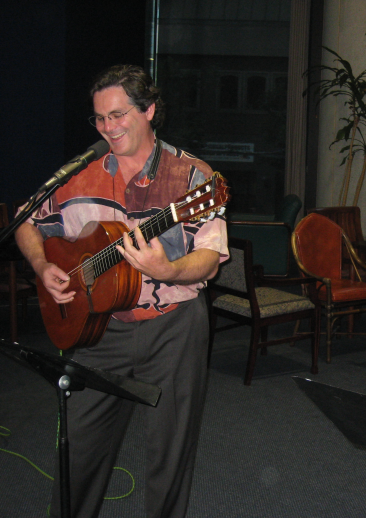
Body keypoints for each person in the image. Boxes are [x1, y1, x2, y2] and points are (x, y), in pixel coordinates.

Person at [15, 64, 229, 518]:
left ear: (149, 110)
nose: (108, 128)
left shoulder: (193, 179)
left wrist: (167, 269)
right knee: (77, 457)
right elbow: (26, 222)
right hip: (97, 332)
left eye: (118, 115)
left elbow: (209, 258)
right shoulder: (79, 174)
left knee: (168, 457)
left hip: (172, 330)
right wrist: (43, 264)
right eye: (99, 119)